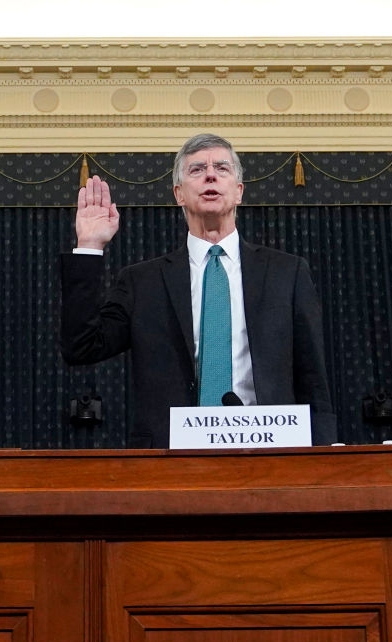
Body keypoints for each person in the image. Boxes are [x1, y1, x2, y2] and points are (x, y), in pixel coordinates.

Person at [61, 133, 336, 448]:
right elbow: (81, 347)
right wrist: (89, 246)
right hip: (172, 459)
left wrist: (323, 460)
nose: (210, 175)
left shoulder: (287, 273)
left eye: (222, 168)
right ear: (179, 194)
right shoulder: (143, 282)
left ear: (239, 192)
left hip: (271, 453)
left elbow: (314, 380)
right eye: (196, 170)